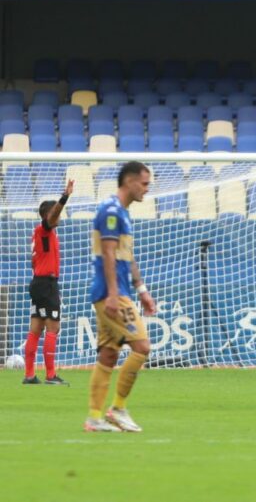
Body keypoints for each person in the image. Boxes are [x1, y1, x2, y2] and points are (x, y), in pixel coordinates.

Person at [84, 161, 156, 432]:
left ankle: (94, 418)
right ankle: (118, 408)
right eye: (144, 183)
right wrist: (114, 295)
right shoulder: (111, 211)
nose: (147, 189)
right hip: (110, 294)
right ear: (129, 181)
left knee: (108, 355)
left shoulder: (122, 213)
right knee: (142, 347)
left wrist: (142, 291)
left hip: (116, 292)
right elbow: (108, 253)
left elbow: (127, 256)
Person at [23, 179, 75, 385]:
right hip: (46, 283)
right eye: (55, 213)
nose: (58, 216)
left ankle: (29, 375)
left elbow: (35, 261)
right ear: (48, 215)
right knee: (53, 328)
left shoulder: (40, 234)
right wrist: (65, 196)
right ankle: (51, 375)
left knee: (36, 328)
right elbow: (53, 215)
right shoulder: (44, 230)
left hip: (38, 282)